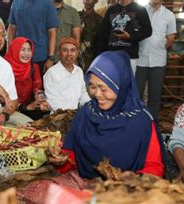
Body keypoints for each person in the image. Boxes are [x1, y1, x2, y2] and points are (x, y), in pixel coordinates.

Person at [49, 50, 165, 179]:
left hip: (129, 193)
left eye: (103, 89)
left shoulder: (141, 121)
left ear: (121, 86)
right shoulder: (86, 113)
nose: (97, 95)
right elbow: (72, 154)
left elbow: (154, 167)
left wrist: (132, 183)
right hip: (86, 188)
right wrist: (61, 159)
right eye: (92, 87)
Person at [135, 0, 176, 120]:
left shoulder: (169, 15)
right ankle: (136, 123)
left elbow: (171, 38)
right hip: (139, 60)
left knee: (155, 96)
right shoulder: (139, 11)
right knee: (136, 94)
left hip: (158, 61)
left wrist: (158, 45)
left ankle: (152, 124)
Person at [94, 0, 152, 72]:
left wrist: (130, 36)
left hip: (130, 56)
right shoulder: (111, 10)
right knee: (113, 81)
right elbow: (103, 33)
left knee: (128, 81)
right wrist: (101, 54)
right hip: (112, 55)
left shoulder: (140, 9)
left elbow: (148, 30)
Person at [4, 37, 52, 120]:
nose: (26, 53)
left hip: (28, 107)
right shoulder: (4, 68)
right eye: (22, 50)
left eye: (29, 50)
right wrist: (25, 107)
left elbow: (38, 88)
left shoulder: (34, 67)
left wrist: (41, 101)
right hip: (7, 108)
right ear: (15, 50)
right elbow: (2, 98)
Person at [8, 0, 59, 72]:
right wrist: (9, 53)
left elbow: (52, 33)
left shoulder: (48, 4)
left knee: (38, 82)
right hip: (19, 56)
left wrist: (51, 58)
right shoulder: (16, 3)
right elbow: (12, 29)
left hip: (40, 57)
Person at [44, 37, 91, 111]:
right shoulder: (52, 73)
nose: (69, 54)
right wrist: (68, 116)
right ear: (59, 53)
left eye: (72, 50)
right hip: (57, 117)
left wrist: (91, 108)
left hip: (75, 115)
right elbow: (52, 101)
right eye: (65, 50)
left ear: (77, 54)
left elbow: (83, 95)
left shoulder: (79, 71)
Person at [78, 0, 103, 70]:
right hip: (73, 57)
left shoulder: (100, 20)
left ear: (96, 1)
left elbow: (100, 44)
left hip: (90, 60)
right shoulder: (75, 15)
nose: (87, 0)